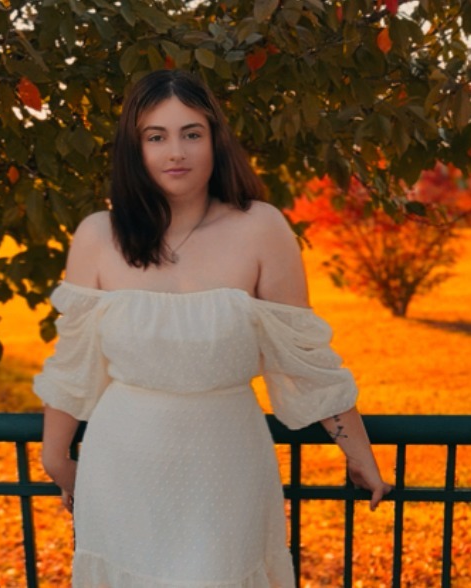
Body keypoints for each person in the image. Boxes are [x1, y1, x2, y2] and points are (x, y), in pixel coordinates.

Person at [33, 69, 392, 588]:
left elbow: (305, 358)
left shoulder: (261, 227)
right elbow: (73, 364)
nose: (175, 152)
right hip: (121, 469)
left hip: (227, 466)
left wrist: (359, 456)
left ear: (215, 139)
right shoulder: (97, 236)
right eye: (156, 136)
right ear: (134, 148)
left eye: (191, 133)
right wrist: (56, 459)